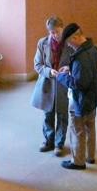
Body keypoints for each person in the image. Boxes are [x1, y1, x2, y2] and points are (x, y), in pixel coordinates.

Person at [55, 23, 97, 170]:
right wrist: (71, 68)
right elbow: (87, 72)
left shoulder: (80, 57)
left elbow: (78, 83)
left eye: (69, 43)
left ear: (75, 37)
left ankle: (78, 161)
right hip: (93, 97)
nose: (69, 46)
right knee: (90, 127)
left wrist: (62, 77)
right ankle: (90, 156)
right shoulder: (93, 49)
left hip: (80, 101)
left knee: (77, 131)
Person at [31, 16, 70, 156]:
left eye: (57, 32)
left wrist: (67, 68)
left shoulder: (70, 44)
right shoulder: (42, 43)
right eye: (52, 32)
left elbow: (75, 63)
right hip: (47, 84)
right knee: (48, 113)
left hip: (64, 84)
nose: (55, 35)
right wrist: (49, 71)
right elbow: (37, 65)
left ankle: (59, 144)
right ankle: (48, 140)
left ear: (63, 28)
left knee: (62, 114)